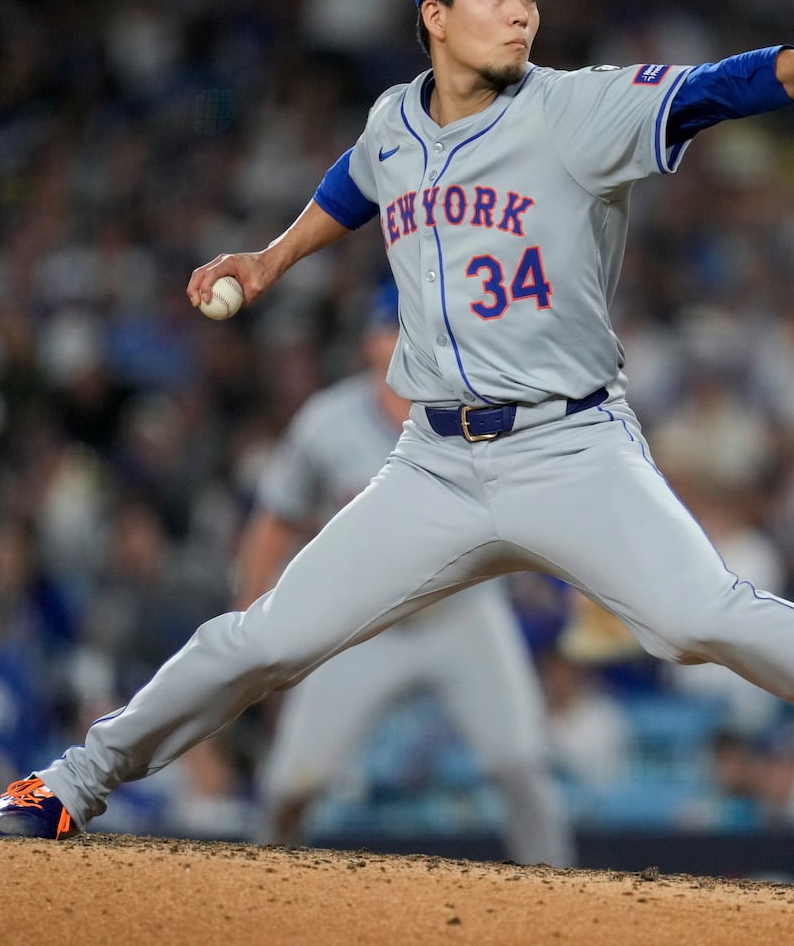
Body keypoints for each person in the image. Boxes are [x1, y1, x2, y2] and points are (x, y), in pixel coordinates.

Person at [0, 0, 794, 844]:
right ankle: (73, 784)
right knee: (261, 639)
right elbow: (359, 179)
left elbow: (708, 90)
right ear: (433, 12)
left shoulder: (574, 110)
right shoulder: (392, 121)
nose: (521, 9)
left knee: (703, 619)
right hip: (433, 464)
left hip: (571, 448)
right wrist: (270, 257)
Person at [233, 288, 574, 865]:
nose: (400, 345)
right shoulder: (327, 424)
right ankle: (254, 893)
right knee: (293, 784)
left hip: (463, 620)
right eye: (389, 332)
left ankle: (566, 904)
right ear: (370, 343)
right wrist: (251, 624)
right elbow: (274, 522)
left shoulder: (481, 409)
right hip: (360, 628)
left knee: (520, 765)